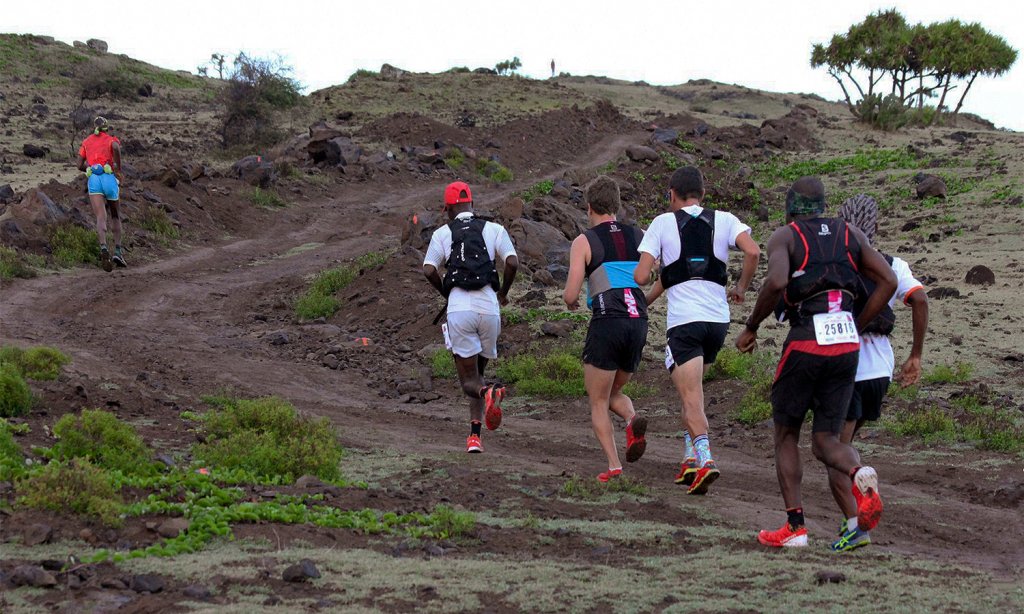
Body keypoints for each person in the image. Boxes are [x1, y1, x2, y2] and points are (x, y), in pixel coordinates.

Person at [735, 177, 897, 548]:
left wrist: (751, 326)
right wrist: (857, 323)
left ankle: (795, 528)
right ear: (824, 206)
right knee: (827, 440)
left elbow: (776, 282)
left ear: (790, 207)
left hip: (807, 340)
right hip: (846, 348)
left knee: (787, 434)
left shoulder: (785, 236)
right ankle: (861, 474)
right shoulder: (852, 234)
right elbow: (886, 280)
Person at [634, 166, 760, 494]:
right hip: (717, 324)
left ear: (671, 195)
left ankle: (705, 459)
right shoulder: (725, 219)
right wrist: (742, 288)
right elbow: (753, 251)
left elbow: (641, 275)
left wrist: (643, 279)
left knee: (691, 398)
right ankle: (689, 460)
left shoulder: (662, 223)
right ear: (702, 195)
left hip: (685, 323)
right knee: (692, 394)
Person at [826, 194, 928, 552]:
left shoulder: (834, 262)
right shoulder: (892, 264)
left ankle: (857, 524)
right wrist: (915, 356)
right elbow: (920, 299)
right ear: (878, 227)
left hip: (845, 371)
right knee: (845, 446)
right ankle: (850, 518)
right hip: (879, 372)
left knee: (834, 454)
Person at [562, 175, 649, 482]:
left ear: (589, 208)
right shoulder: (640, 235)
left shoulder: (584, 241)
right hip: (639, 322)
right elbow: (654, 274)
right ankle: (632, 418)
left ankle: (614, 467)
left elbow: (571, 294)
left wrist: (572, 300)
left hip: (607, 320)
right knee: (614, 391)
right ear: (617, 205)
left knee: (597, 399)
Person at [423, 181, 519, 453]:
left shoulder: (443, 233)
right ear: (472, 205)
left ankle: (489, 395)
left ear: (448, 209)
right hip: (489, 308)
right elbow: (512, 262)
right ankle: (475, 436)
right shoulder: (494, 229)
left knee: (469, 382)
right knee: (479, 375)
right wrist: (504, 293)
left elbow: (428, 269)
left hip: (459, 309)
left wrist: (446, 292)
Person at [77, 116, 126, 271]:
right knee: (115, 214)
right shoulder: (111, 140)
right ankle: (118, 251)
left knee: (100, 216)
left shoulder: (86, 142)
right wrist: (118, 168)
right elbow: (116, 148)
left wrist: (91, 167)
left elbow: (79, 164)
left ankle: (104, 247)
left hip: (94, 180)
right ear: (107, 127)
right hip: (109, 177)